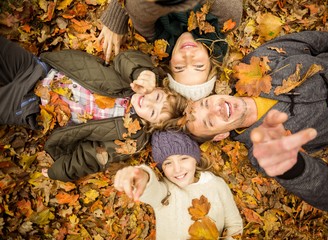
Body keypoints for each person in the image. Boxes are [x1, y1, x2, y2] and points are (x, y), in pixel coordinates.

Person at [182, 29, 328, 212]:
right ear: (221, 136)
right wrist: (292, 167)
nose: (215, 110)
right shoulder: (264, 151)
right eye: (209, 123)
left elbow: (317, 40)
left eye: (205, 104)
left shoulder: (257, 63)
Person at [0, 36, 188, 182]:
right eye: (156, 97)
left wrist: (59, 171)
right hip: (39, 69)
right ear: (158, 88)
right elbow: (126, 59)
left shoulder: (130, 137)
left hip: (32, 104)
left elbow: (91, 158)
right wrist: (143, 73)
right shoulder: (133, 81)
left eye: (153, 112)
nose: (147, 102)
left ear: (150, 124)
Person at [98, 0, 243, 100]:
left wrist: (120, 13)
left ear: (170, 63)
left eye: (179, 67)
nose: (188, 57)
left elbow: (138, 5)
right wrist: (119, 12)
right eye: (199, 66)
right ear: (211, 61)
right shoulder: (226, 18)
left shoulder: (155, 33)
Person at [113, 130, 243, 239]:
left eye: (184, 158)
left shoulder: (216, 184)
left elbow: (235, 225)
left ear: (195, 159)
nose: (177, 169)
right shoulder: (165, 191)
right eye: (168, 163)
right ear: (162, 168)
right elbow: (151, 189)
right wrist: (142, 176)